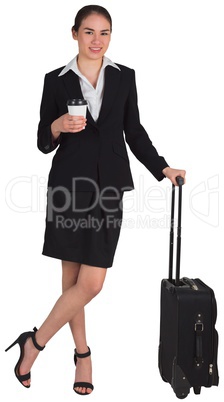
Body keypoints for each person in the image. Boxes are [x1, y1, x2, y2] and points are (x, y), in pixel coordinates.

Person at [5, 5, 186, 396]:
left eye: (104, 32)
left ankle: (32, 344)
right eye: (88, 32)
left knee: (90, 283)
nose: (96, 40)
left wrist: (163, 167)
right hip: (69, 189)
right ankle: (83, 355)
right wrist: (57, 126)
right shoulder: (56, 80)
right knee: (72, 282)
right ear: (74, 34)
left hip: (108, 189)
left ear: (110, 37)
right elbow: (41, 141)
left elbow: (134, 132)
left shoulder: (124, 77)